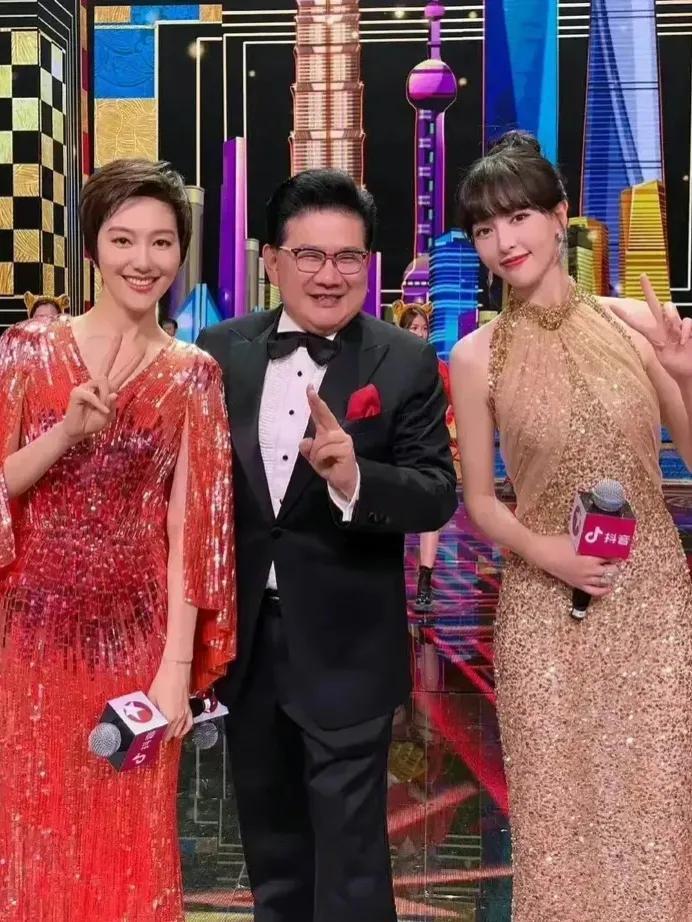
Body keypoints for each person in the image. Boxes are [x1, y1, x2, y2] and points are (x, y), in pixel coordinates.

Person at [197, 168, 457, 922]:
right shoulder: (221, 350)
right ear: (273, 261)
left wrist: (355, 479)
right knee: (273, 857)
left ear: (368, 264)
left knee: (350, 867)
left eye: (348, 257)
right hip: (250, 648)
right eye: (309, 255)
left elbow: (436, 490)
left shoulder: (401, 359)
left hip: (349, 647)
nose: (329, 274)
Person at [450, 130, 692, 922]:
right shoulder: (477, 355)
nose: (504, 241)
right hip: (543, 604)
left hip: (651, 599)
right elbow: (481, 501)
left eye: (518, 217)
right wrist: (546, 551)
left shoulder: (636, 325)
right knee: (557, 816)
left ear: (560, 217)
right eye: (485, 228)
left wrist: (686, 373)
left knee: (655, 808)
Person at [0, 159, 236, 922]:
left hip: (138, 645)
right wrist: (64, 433)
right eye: (124, 239)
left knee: (130, 841)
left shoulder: (194, 376)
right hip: (27, 641)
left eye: (162, 242)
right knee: (33, 836)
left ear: (181, 251)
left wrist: (177, 672)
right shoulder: (26, 352)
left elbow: (192, 532)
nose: (143, 260)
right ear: (94, 247)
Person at [394, 301, 457, 611]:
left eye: (423, 328)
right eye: (413, 328)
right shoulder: (387, 364)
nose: (419, 333)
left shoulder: (440, 368)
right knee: (392, 513)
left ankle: (425, 581)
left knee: (430, 513)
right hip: (394, 450)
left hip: (429, 449)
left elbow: (454, 403)